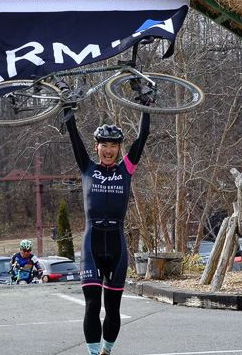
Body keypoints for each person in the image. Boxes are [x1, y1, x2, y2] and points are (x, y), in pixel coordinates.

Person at [63, 107, 150, 355]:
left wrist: (145, 105)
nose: (109, 150)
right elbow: (73, 134)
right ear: (96, 146)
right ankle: (93, 354)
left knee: (113, 309)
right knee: (92, 306)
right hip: (91, 244)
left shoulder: (126, 170)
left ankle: (106, 351)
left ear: (120, 148)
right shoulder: (87, 168)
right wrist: (67, 107)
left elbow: (143, 135)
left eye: (114, 145)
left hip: (117, 246)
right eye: (104, 145)